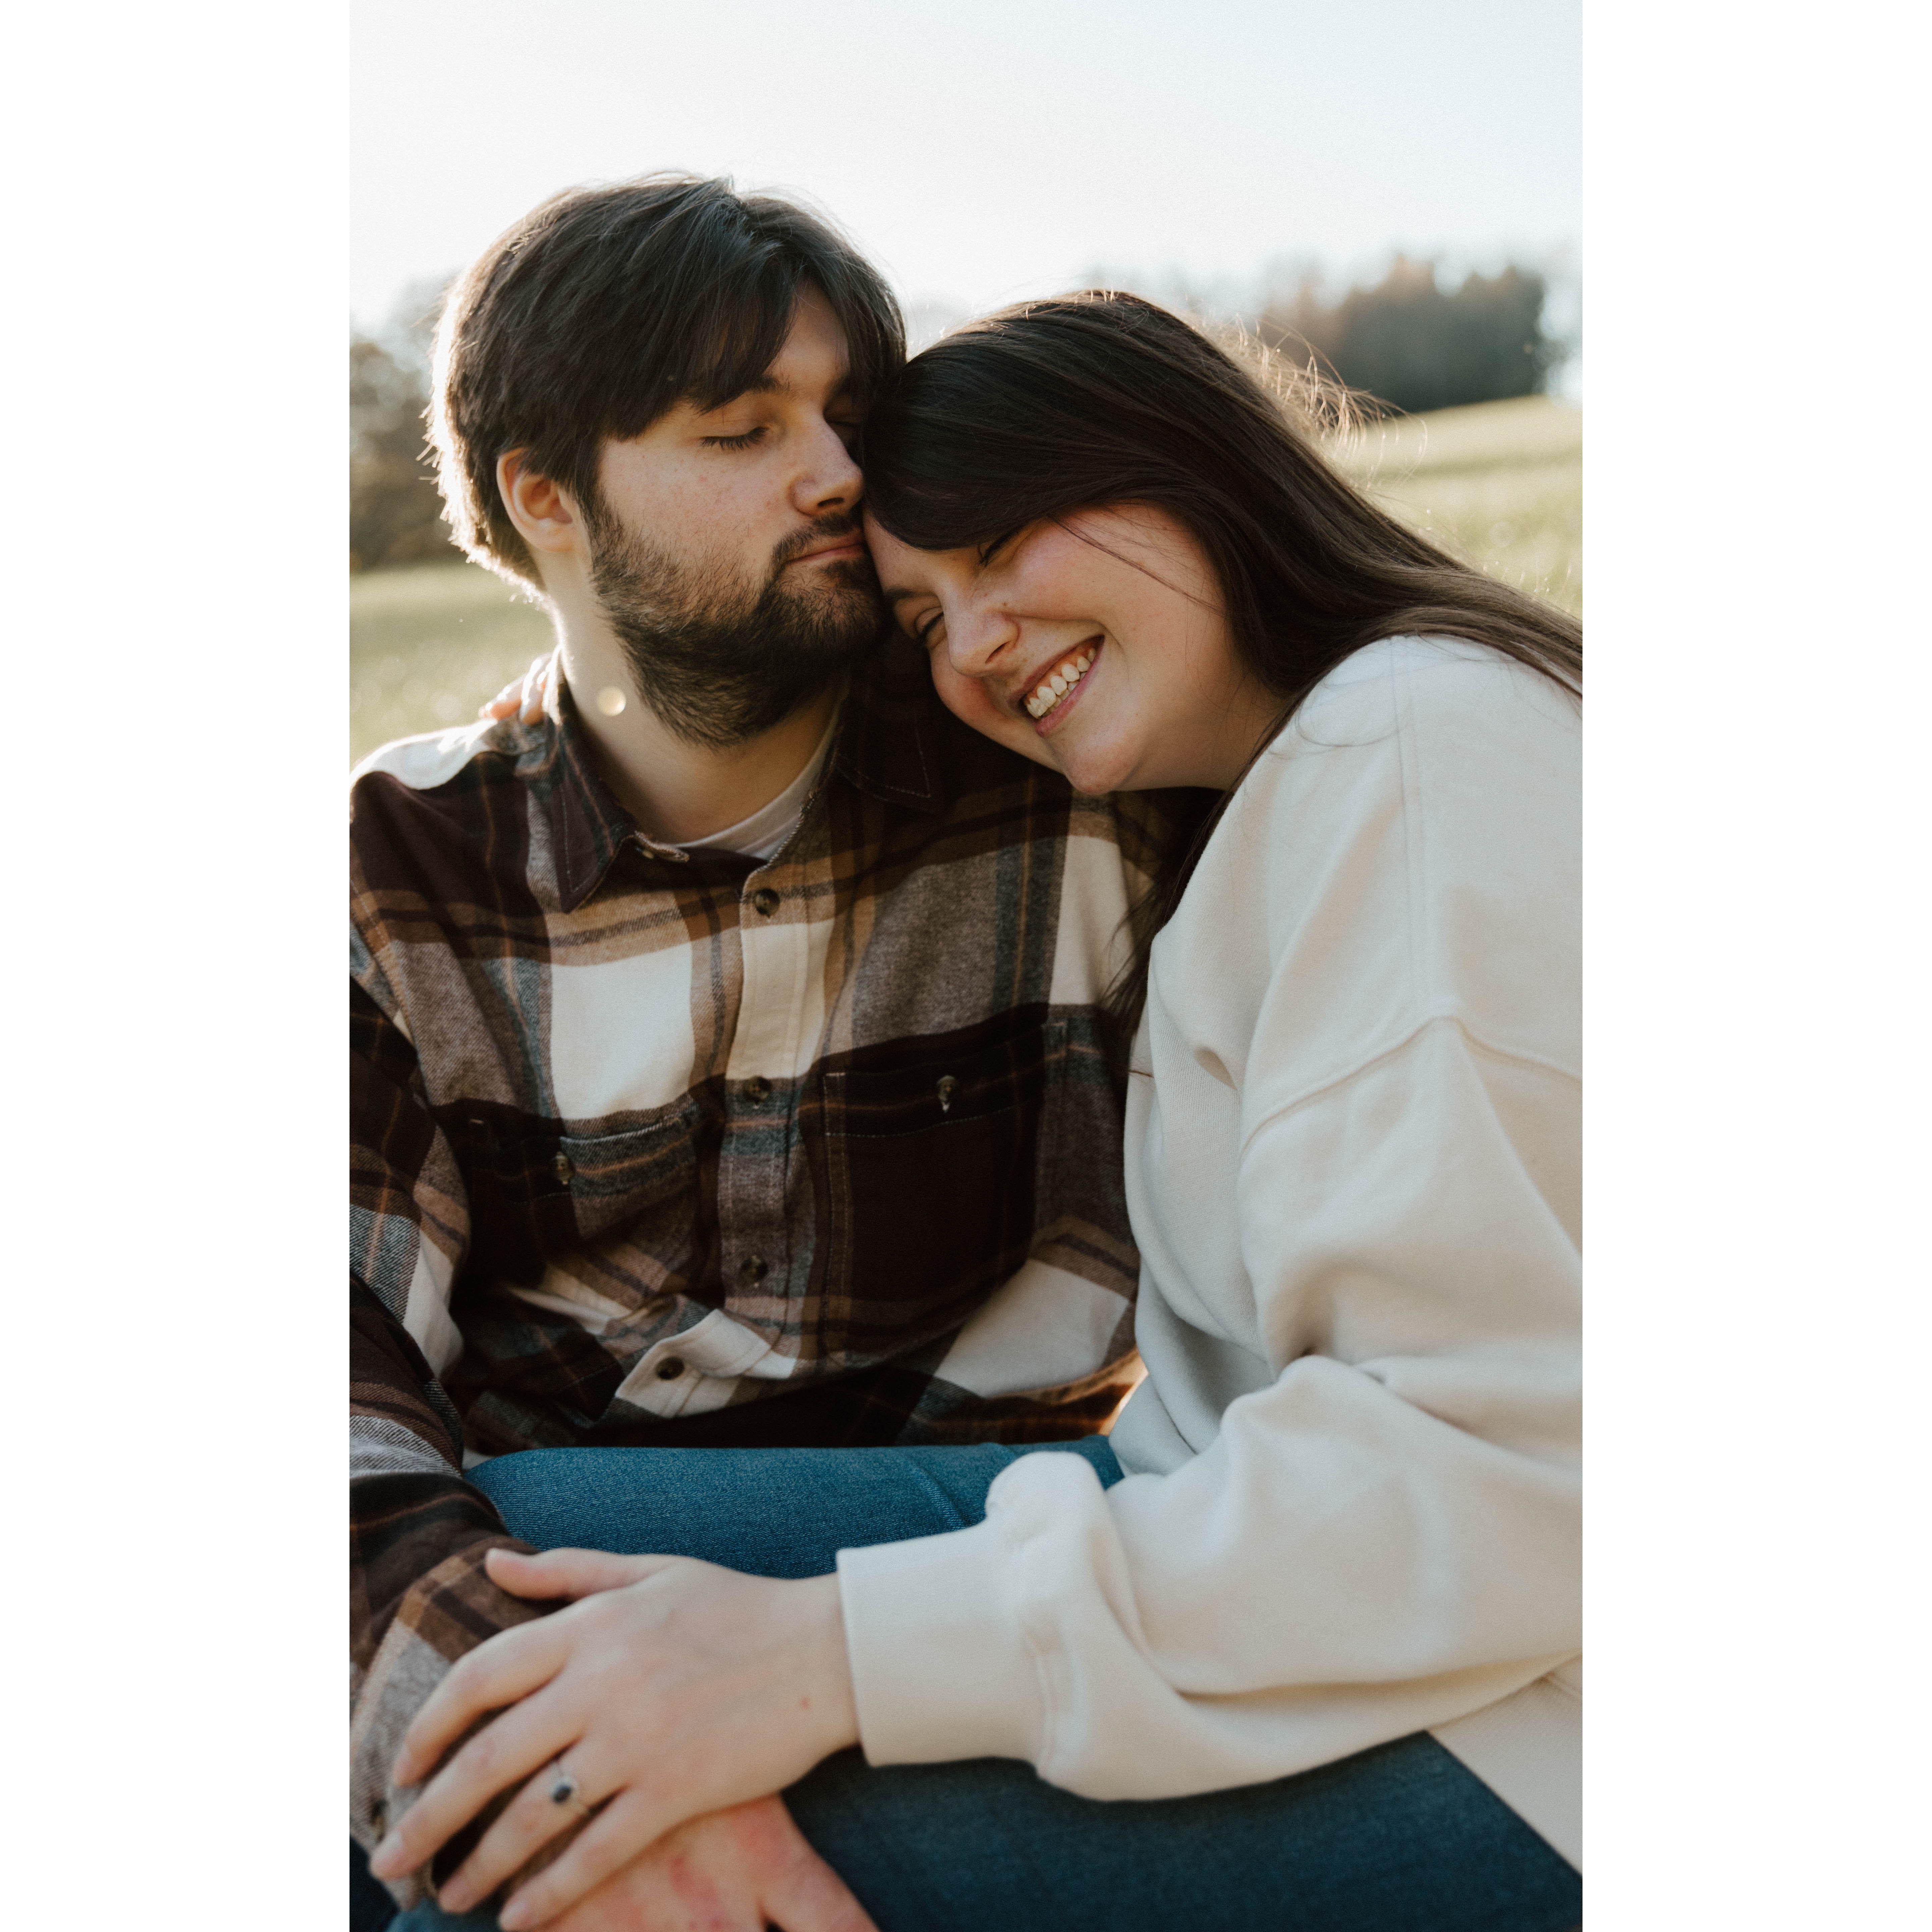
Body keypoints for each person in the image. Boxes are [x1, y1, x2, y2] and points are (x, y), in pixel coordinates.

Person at [366, 292, 1583, 1932]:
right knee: (502, 1596)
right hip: (1249, 1540)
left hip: (1530, 1727)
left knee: (502, 1828)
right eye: (921, 614)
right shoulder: (1260, 799)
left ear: (1187, 467)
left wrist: (827, 1659)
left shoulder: (1412, 747)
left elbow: (1506, 1479)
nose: (976, 646)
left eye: (1003, 547)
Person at [352, 180, 1202, 1930]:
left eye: (850, 423)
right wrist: (578, 1786)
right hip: (553, 1608)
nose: (835, 476)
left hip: (999, 1570)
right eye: (743, 431)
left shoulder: (1071, 778)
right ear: (545, 497)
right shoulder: (390, 875)